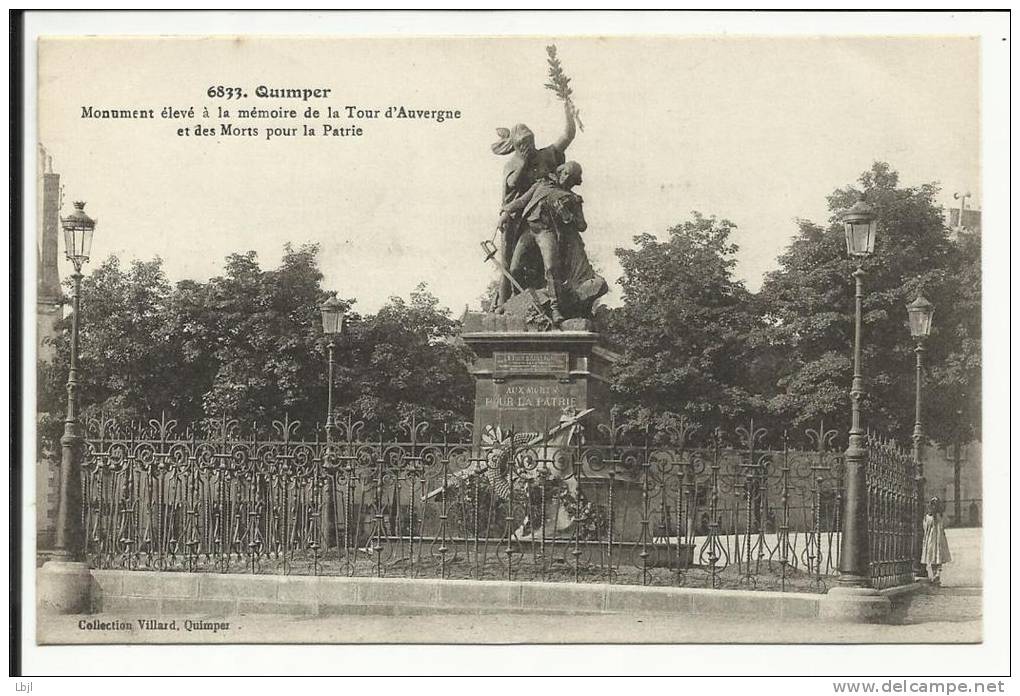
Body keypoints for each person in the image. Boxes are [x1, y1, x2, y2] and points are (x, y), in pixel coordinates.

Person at [491, 101, 578, 307]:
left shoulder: (546, 155)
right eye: (522, 144)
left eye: (529, 142)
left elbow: (567, 136)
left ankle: (552, 304)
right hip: (520, 222)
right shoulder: (512, 164)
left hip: (548, 220)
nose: (527, 147)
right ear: (515, 147)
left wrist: (569, 114)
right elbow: (512, 187)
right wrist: (523, 161)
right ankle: (509, 304)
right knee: (513, 267)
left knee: (549, 264)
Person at [498, 161, 586, 324]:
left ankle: (555, 308)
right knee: (514, 268)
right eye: (565, 173)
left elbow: (582, 226)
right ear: (560, 171)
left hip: (547, 232)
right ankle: (517, 303)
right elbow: (521, 201)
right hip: (529, 231)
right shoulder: (542, 184)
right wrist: (505, 213)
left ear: (575, 181)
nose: (566, 177)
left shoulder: (573, 199)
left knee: (551, 268)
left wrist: (567, 215)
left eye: (570, 177)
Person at [921, 496, 952, 586]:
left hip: (931, 539)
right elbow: (946, 523)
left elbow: (925, 527)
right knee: (938, 556)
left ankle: (935, 575)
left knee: (932, 556)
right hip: (939, 538)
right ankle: (937, 574)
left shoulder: (928, 517)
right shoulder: (941, 516)